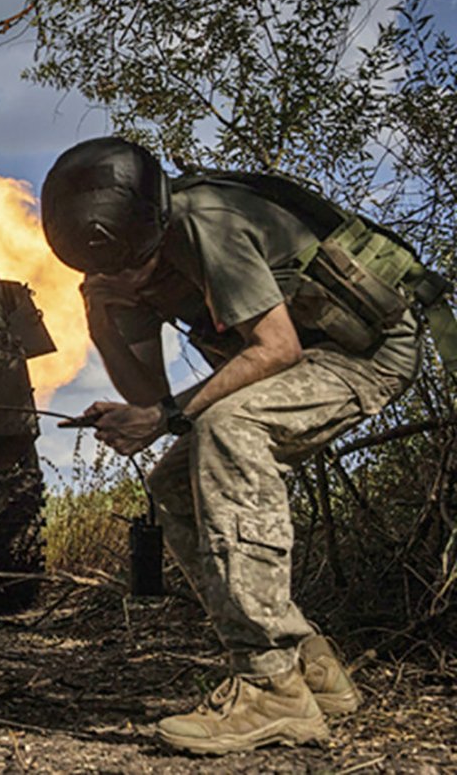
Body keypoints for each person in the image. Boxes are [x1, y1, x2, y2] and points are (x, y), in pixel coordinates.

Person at [40, 137, 421, 755]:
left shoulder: (206, 222)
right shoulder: (113, 270)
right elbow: (147, 393)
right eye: (103, 270)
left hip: (364, 353)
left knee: (229, 428)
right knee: (171, 479)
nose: (117, 277)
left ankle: (270, 685)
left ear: (154, 229)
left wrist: (163, 417)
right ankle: (310, 665)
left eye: (127, 265)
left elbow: (277, 350)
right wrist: (105, 324)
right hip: (301, 358)